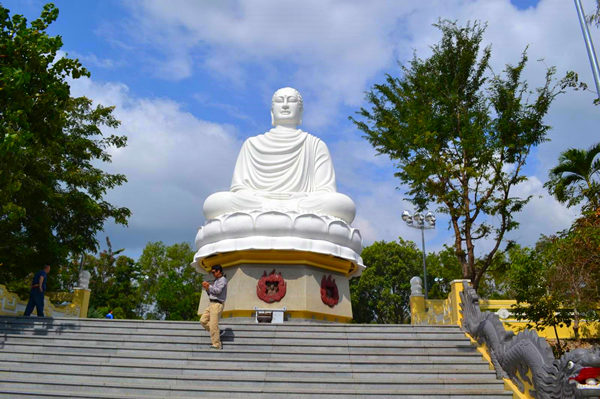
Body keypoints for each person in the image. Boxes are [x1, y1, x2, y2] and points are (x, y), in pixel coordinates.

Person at [202, 87, 356, 224]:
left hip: (301, 203)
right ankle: (276, 211)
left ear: (300, 111)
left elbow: (325, 191)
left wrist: (296, 200)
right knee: (216, 202)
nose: (285, 105)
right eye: (279, 101)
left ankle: (274, 213)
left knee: (341, 204)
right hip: (258, 202)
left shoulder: (315, 145)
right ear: (272, 111)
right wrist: (263, 199)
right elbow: (239, 188)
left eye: (291, 101)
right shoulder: (252, 143)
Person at [200, 265, 228, 350]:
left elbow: (218, 291)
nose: (213, 274)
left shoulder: (222, 280)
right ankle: (216, 332)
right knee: (203, 320)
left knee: (213, 324)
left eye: (213, 272)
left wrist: (209, 287)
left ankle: (216, 344)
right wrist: (207, 288)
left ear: (219, 271)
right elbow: (212, 293)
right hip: (211, 303)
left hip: (217, 304)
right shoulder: (216, 280)